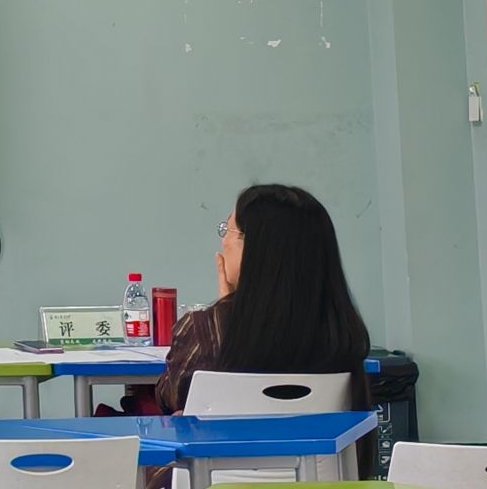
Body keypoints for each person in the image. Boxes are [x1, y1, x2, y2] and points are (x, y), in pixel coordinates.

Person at [151, 184, 373, 469]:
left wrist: (223, 309)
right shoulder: (342, 330)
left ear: (254, 249)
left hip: (219, 482)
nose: (223, 242)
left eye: (227, 230)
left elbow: (170, 396)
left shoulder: (204, 329)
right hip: (319, 481)